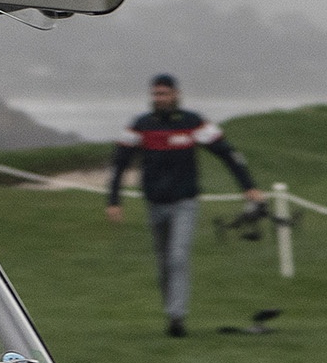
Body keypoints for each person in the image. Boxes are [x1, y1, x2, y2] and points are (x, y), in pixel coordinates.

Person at [106, 74, 263, 336]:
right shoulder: (141, 125)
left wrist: (248, 186)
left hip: (184, 202)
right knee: (164, 262)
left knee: (178, 257)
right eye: (156, 94)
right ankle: (172, 310)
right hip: (154, 203)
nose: (160, 99)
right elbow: (120, 162)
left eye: (164, 94)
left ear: (176, 95)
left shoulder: (192, 123)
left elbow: (227, 153)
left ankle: (177, 317)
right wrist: (114, 200)